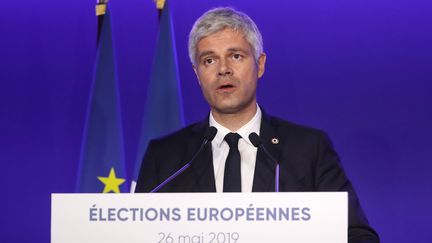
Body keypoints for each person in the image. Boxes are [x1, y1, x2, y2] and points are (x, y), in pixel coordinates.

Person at [136, 7, 379, 242]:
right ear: (197, 73)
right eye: (209, 60)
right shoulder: (165, 156)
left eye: (236, 56)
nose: (223, 70)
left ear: (260, 64)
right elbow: (137, 234)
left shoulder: (307, 149)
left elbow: (357, 235)